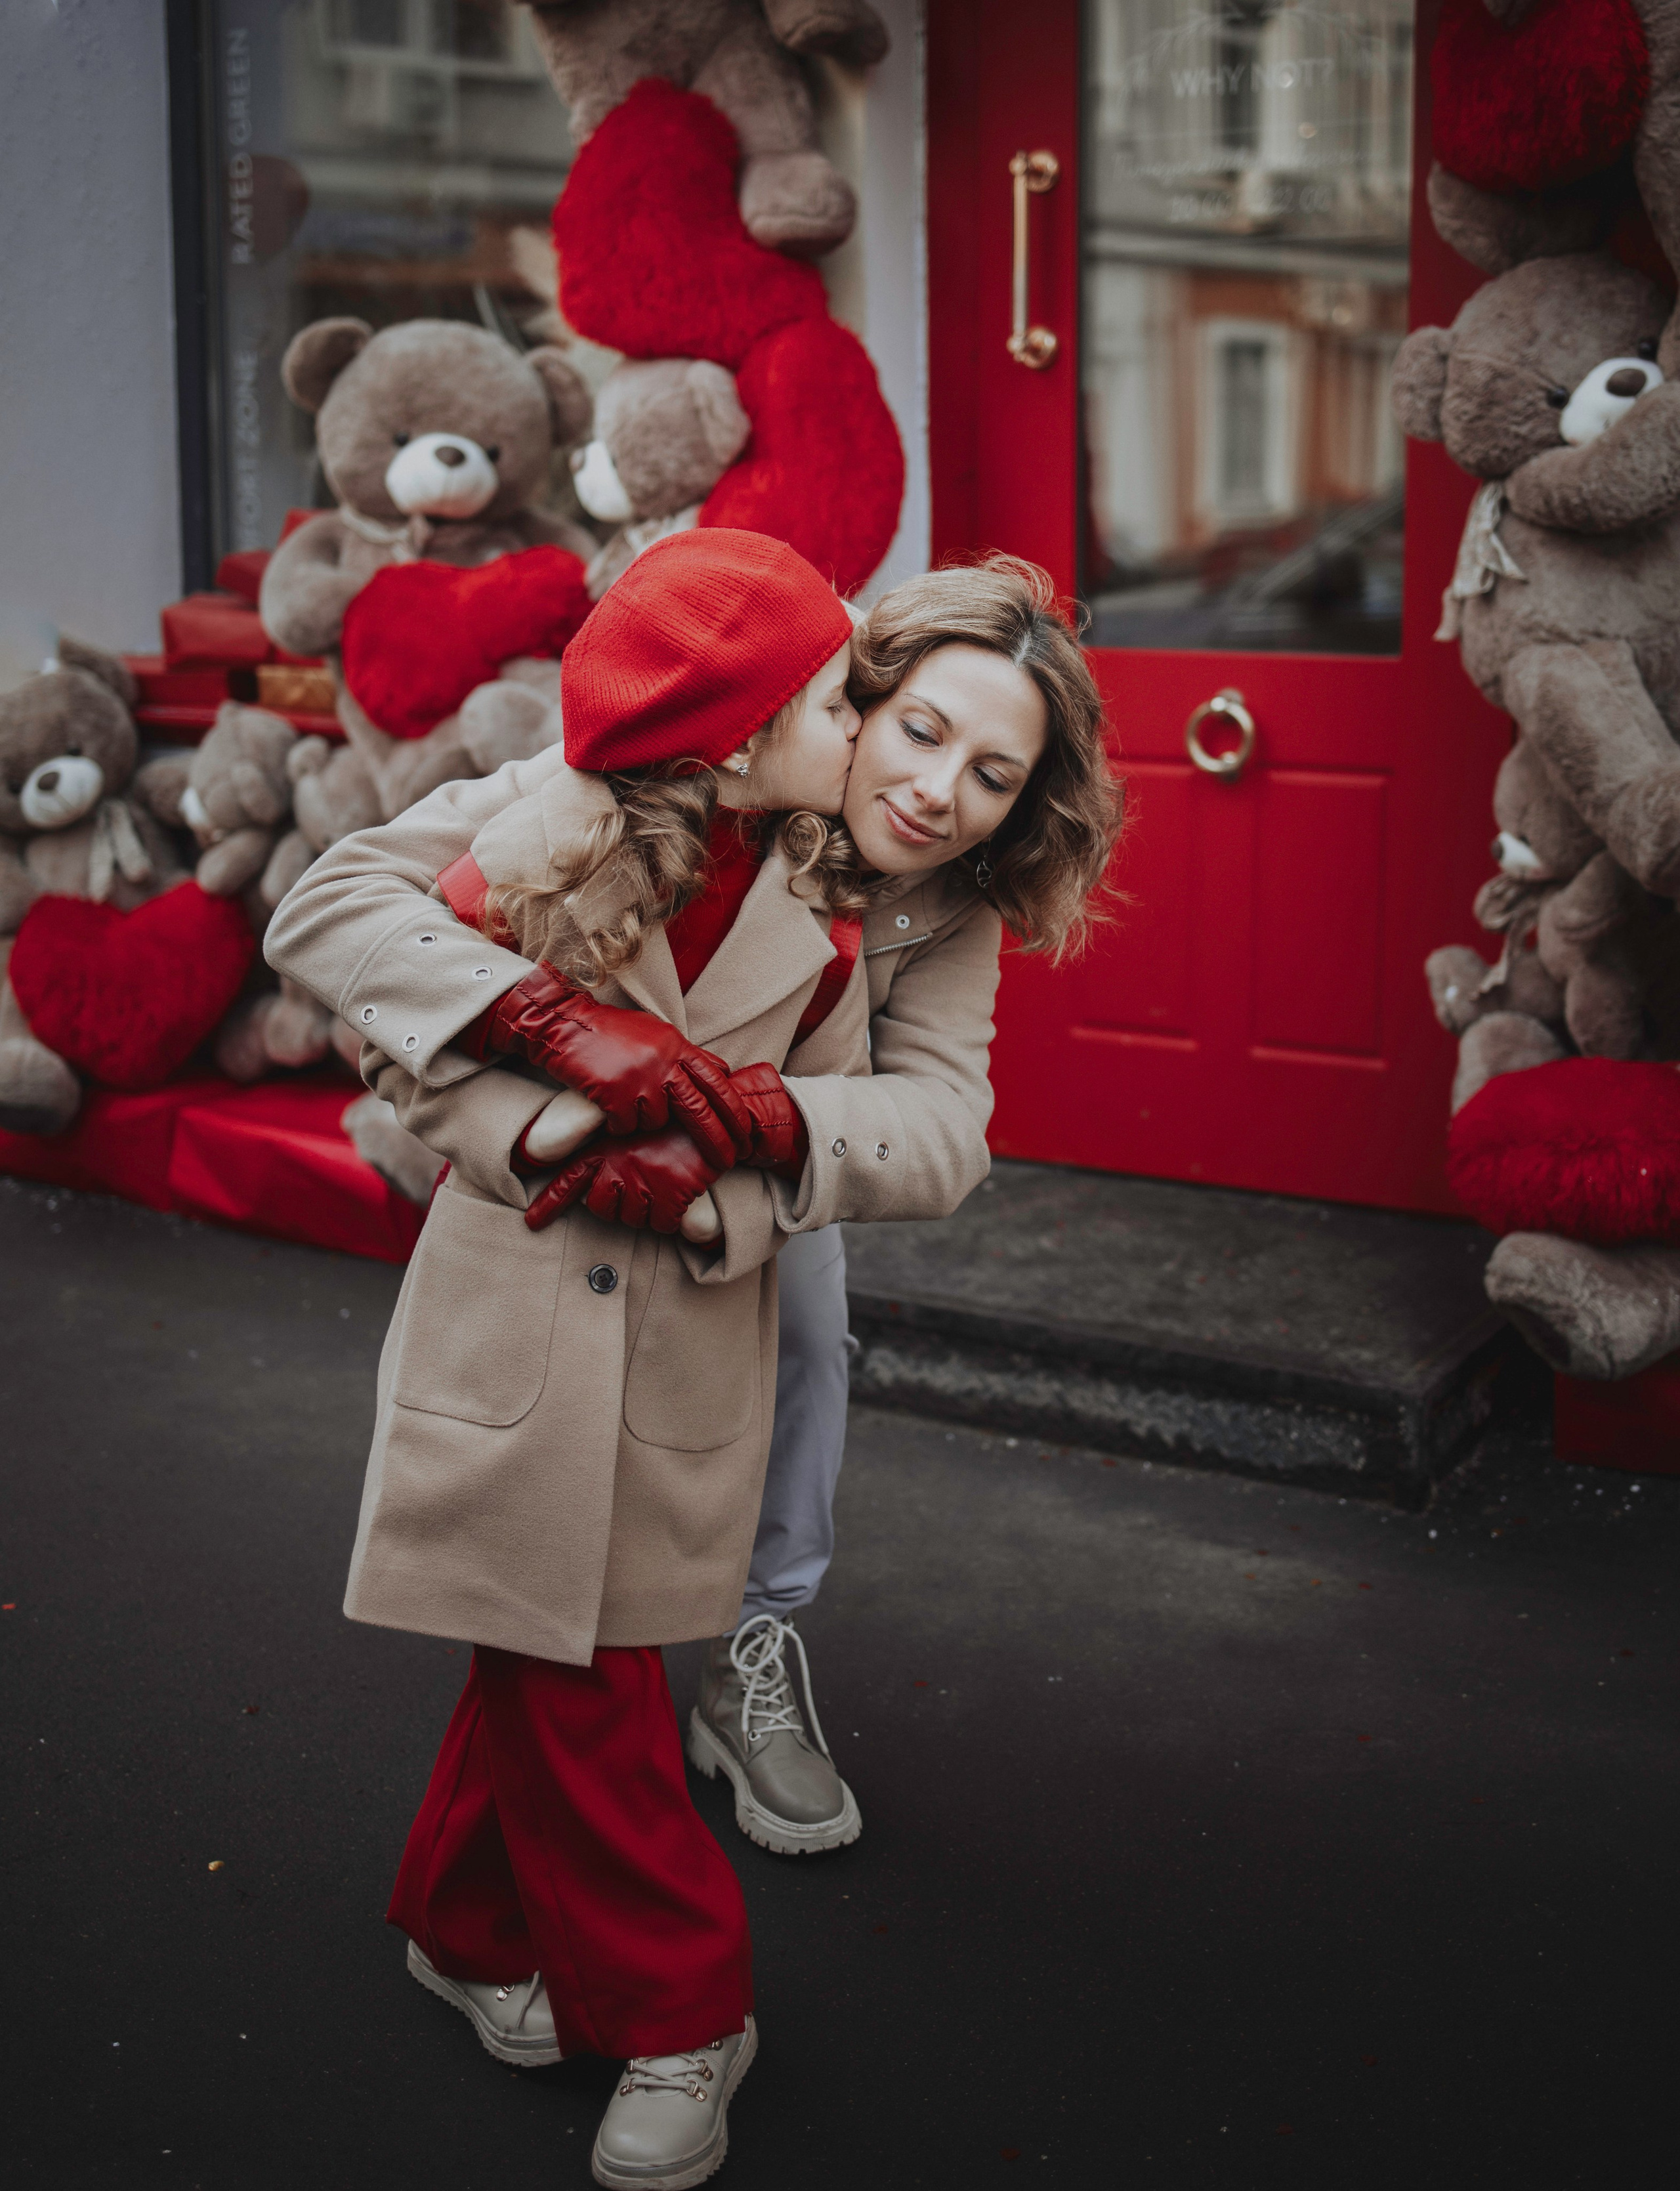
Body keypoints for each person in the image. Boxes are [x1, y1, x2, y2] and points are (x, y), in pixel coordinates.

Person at [266, 542, 1121, 2185]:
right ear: (847, 694)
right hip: (525, 1261)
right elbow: (372, 953)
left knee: (572, 1593)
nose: (944, 790)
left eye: (995, 773)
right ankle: (680, 2007)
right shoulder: (648, 762)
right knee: (558, 1633)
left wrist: (759, 1135)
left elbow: (943, 1125)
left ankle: (466, 1909)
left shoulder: (936, 903)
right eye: (924, 731)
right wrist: (541, 1072)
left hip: (730, 1249)